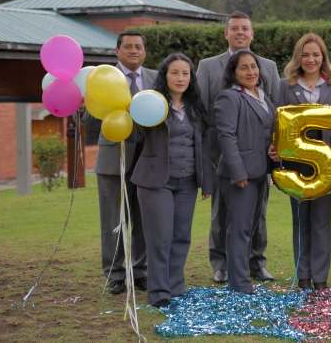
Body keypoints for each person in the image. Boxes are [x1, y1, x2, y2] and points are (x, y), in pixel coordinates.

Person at [196, 11, 280, 283]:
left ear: (252, 33)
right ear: (226, 33)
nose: (240, 32)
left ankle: (257, 261)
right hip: (223, 153)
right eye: (235, 29)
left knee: (258, 213)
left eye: (245, 28)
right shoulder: (208, 66)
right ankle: (221, 264)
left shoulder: (267, 66)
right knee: (224, 215)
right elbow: (203, 110)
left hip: (259, 156)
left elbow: (272, 112)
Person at [131, 53, 212, 307]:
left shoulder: (196, 107)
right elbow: (134, 136)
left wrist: (206, 183)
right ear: (164, 76)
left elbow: (203, 147)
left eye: (185, 73)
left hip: (187, 181)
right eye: (175, 72)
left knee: (181, 236)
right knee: (160, 237)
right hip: (156, 181)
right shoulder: (151, 104)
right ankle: (159, 292)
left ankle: (176, 286)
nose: (180, 78)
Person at [273, 33, 331, 290]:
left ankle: (320, 279)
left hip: (326, 164)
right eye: (305, 54)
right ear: (298, 58)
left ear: (323, 57)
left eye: (316, 54)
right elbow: (278, 123)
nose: (311, 59)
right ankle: (302, 276)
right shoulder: (286, 85)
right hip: (298, 164)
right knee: (300, 219)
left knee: (321, 221)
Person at [89, 31, 157, 294]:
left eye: (138, 46)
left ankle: (141, 271)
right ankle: (115, 274)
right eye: (127, 46)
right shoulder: (102, 78)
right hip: (111, 162)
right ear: (117, 51)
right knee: (112, 221)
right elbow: (89, 121)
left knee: (143, 220)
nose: (133, 50)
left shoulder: (154, 78)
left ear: (144, 51)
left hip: (147, 161)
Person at [214, 50, 276, 294]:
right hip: (240, 176)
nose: (250, 72)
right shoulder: (229, 97)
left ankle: (243, 276)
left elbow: (266, 130)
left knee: (250, 227)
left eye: (253, 67)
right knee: (238, 228)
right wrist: (238, 173)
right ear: (234, 72)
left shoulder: (263, 96)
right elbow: (226, 137)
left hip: (261, 172)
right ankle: (239, 283)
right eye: (244, 68)